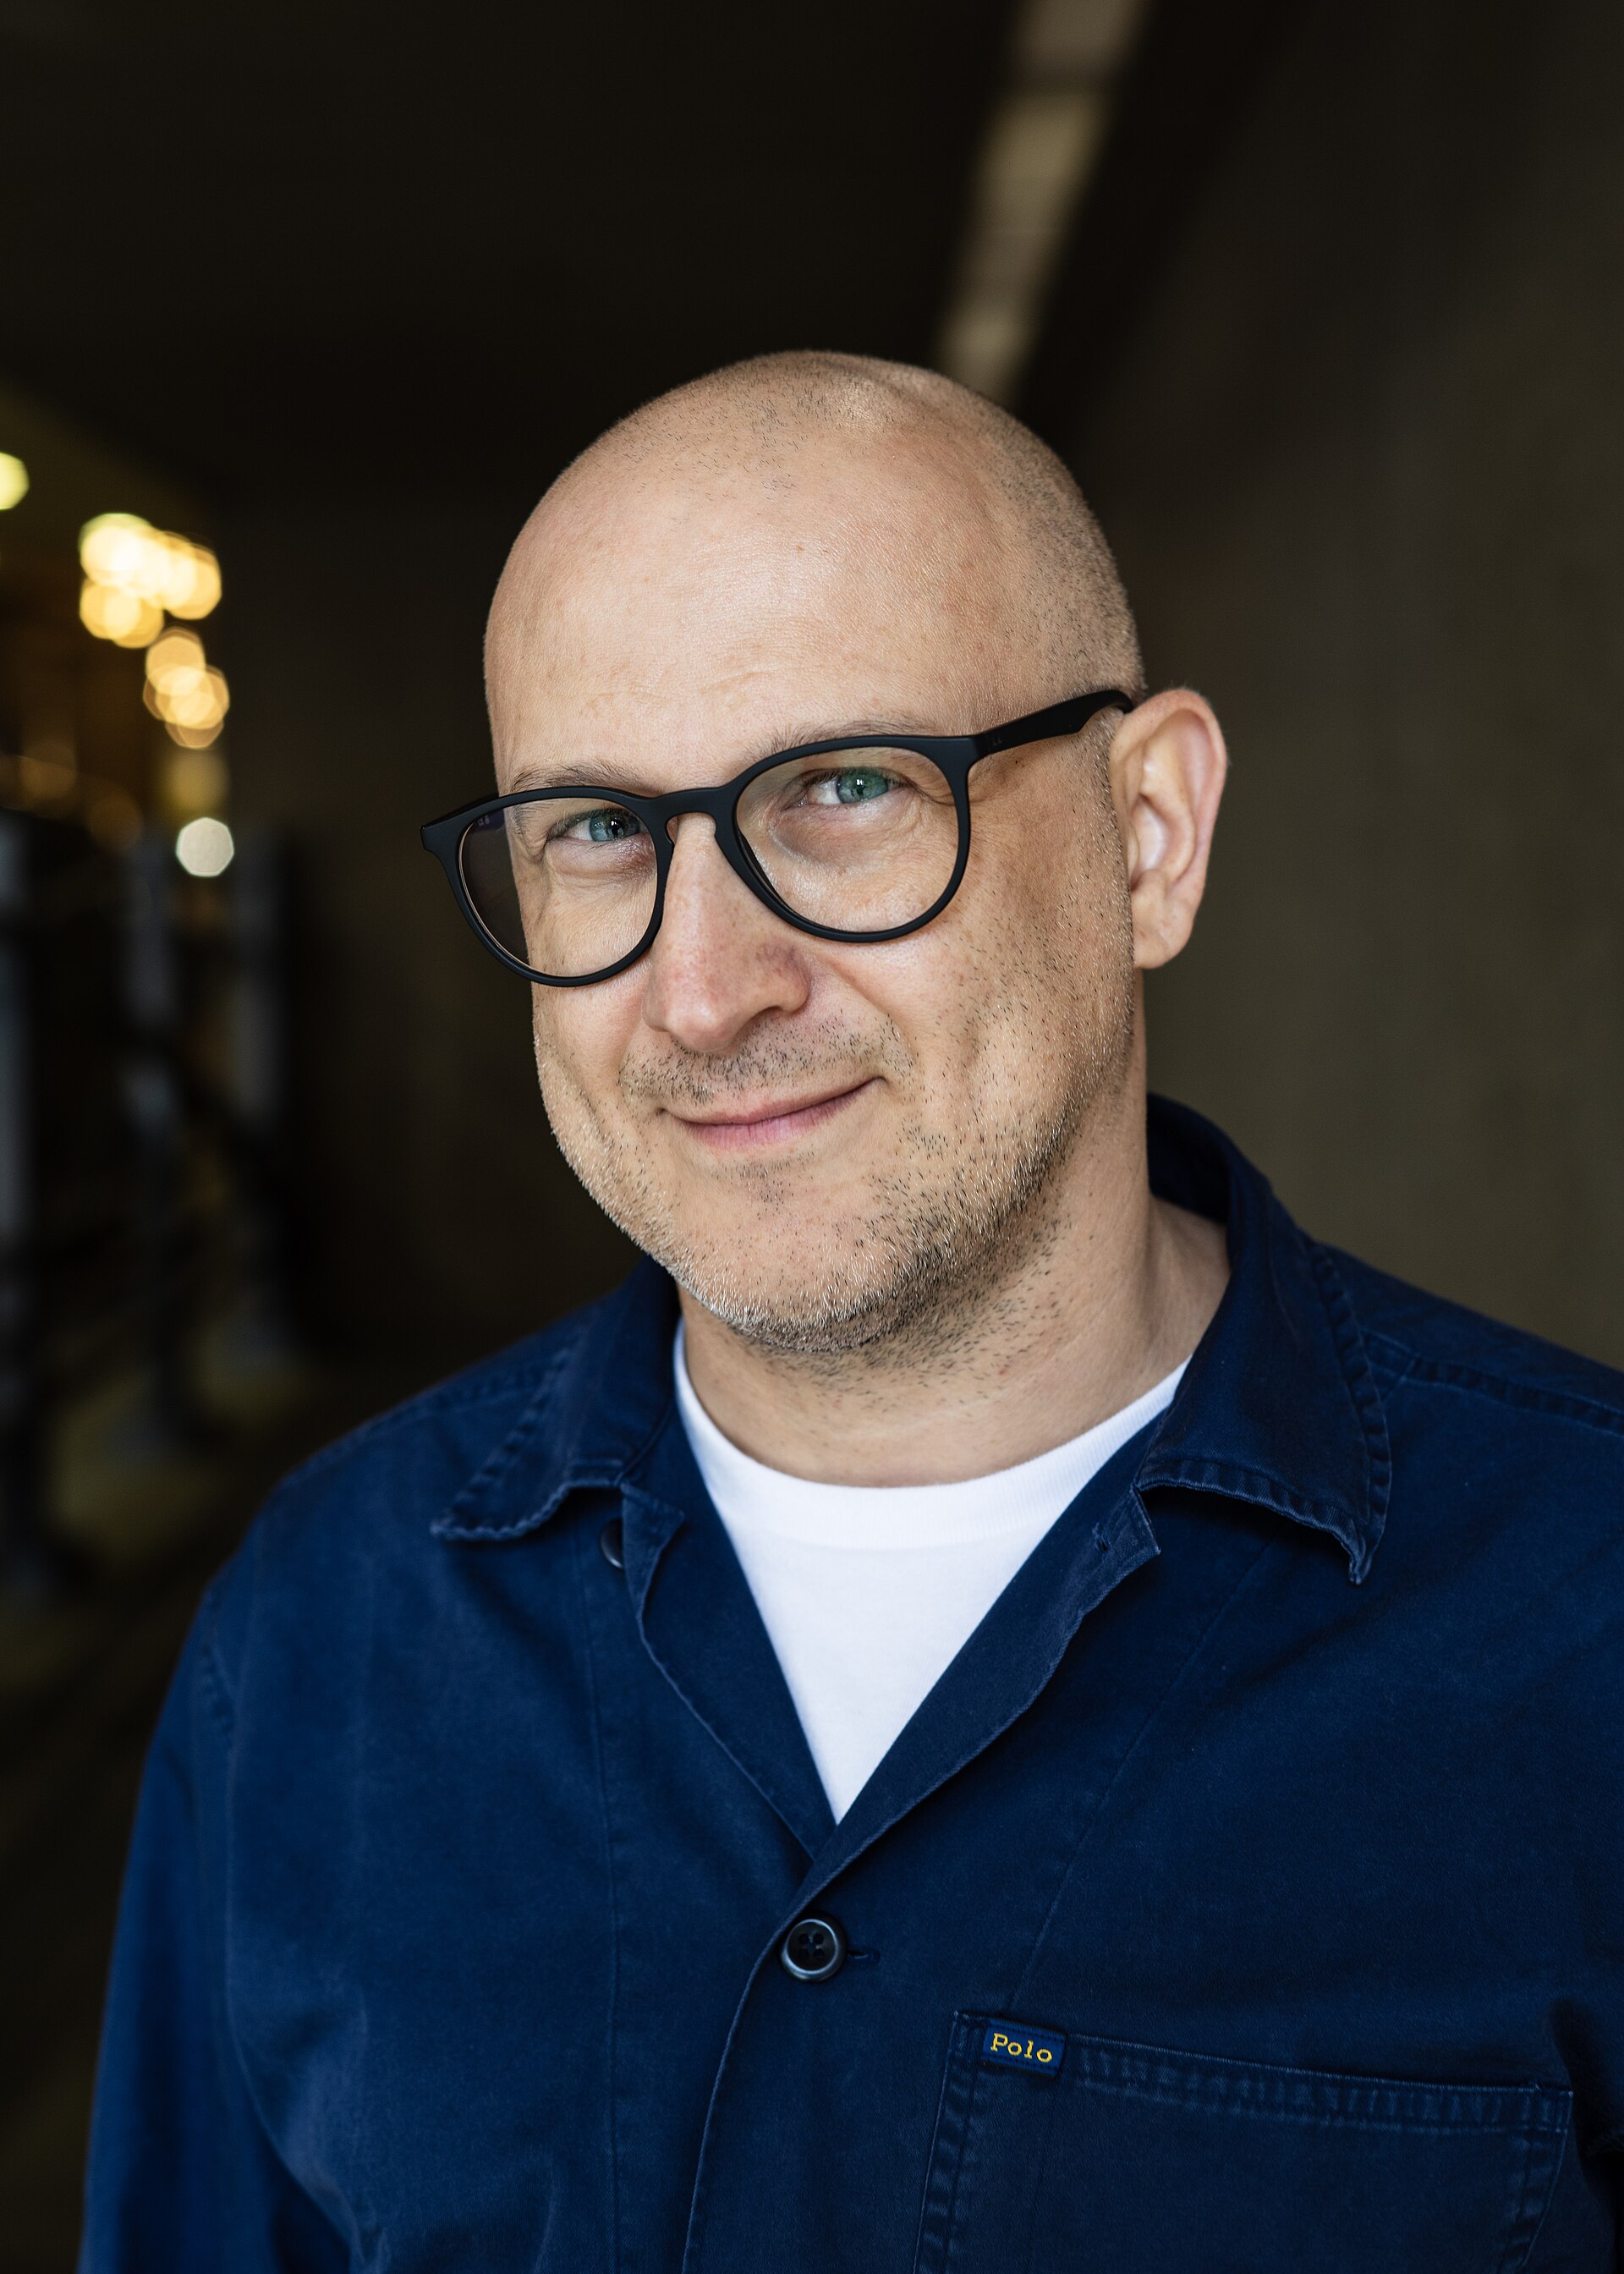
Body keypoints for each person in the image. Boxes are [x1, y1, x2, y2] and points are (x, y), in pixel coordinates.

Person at [80, 354, 1624, 2272]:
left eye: (845, 791)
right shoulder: (321, 1637)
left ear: (1152, 835)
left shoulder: (1587, 1622)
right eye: (596, 831)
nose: (711, 989)